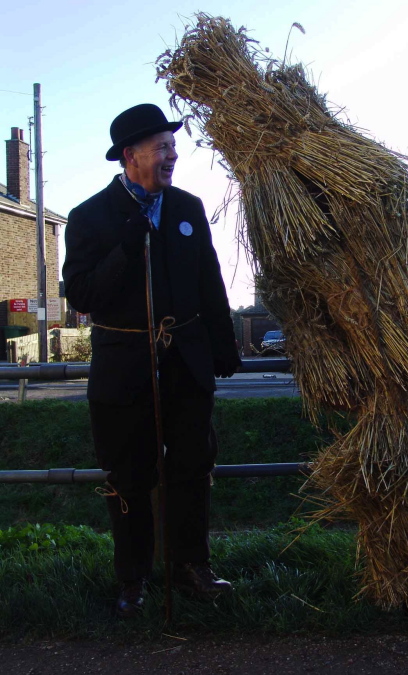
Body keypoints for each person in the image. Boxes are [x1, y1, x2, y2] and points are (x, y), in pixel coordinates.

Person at [63, 103, 241, 618]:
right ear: (130, 156)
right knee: (128, 474)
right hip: (124, 368)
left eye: (173, 145)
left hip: (186, 361)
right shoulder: (89, 217)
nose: (172, 155)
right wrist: (123, 249)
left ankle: (192, 567)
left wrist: (222, 342)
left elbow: (209, 278)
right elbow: (82, 295)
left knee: (192, 465)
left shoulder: (187, 207)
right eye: (162, 147)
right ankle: (133, 578)